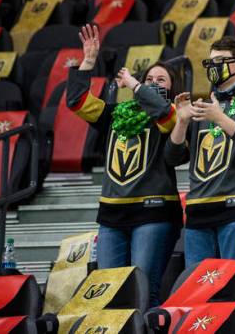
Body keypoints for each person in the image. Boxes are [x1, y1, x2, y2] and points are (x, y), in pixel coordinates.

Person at [67, 24, 181, 307]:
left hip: (153, 214)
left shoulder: (173, 117)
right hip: (111, 216)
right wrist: (88, 62)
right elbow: (77, 101)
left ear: (172, 88)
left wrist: (136, 85)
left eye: (161, 80)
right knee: (109, 294)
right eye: (149, 78)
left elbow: (164, 113)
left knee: (143, 292)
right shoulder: (116, 115)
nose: (154, 83)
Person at [165, 36, 235, 287]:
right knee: (196, 290)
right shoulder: (202, 106)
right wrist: (182, 122)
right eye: (211, 61)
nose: (213, 68)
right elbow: (173, 158)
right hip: (198, 210)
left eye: (221, 61)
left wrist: (220, 119)